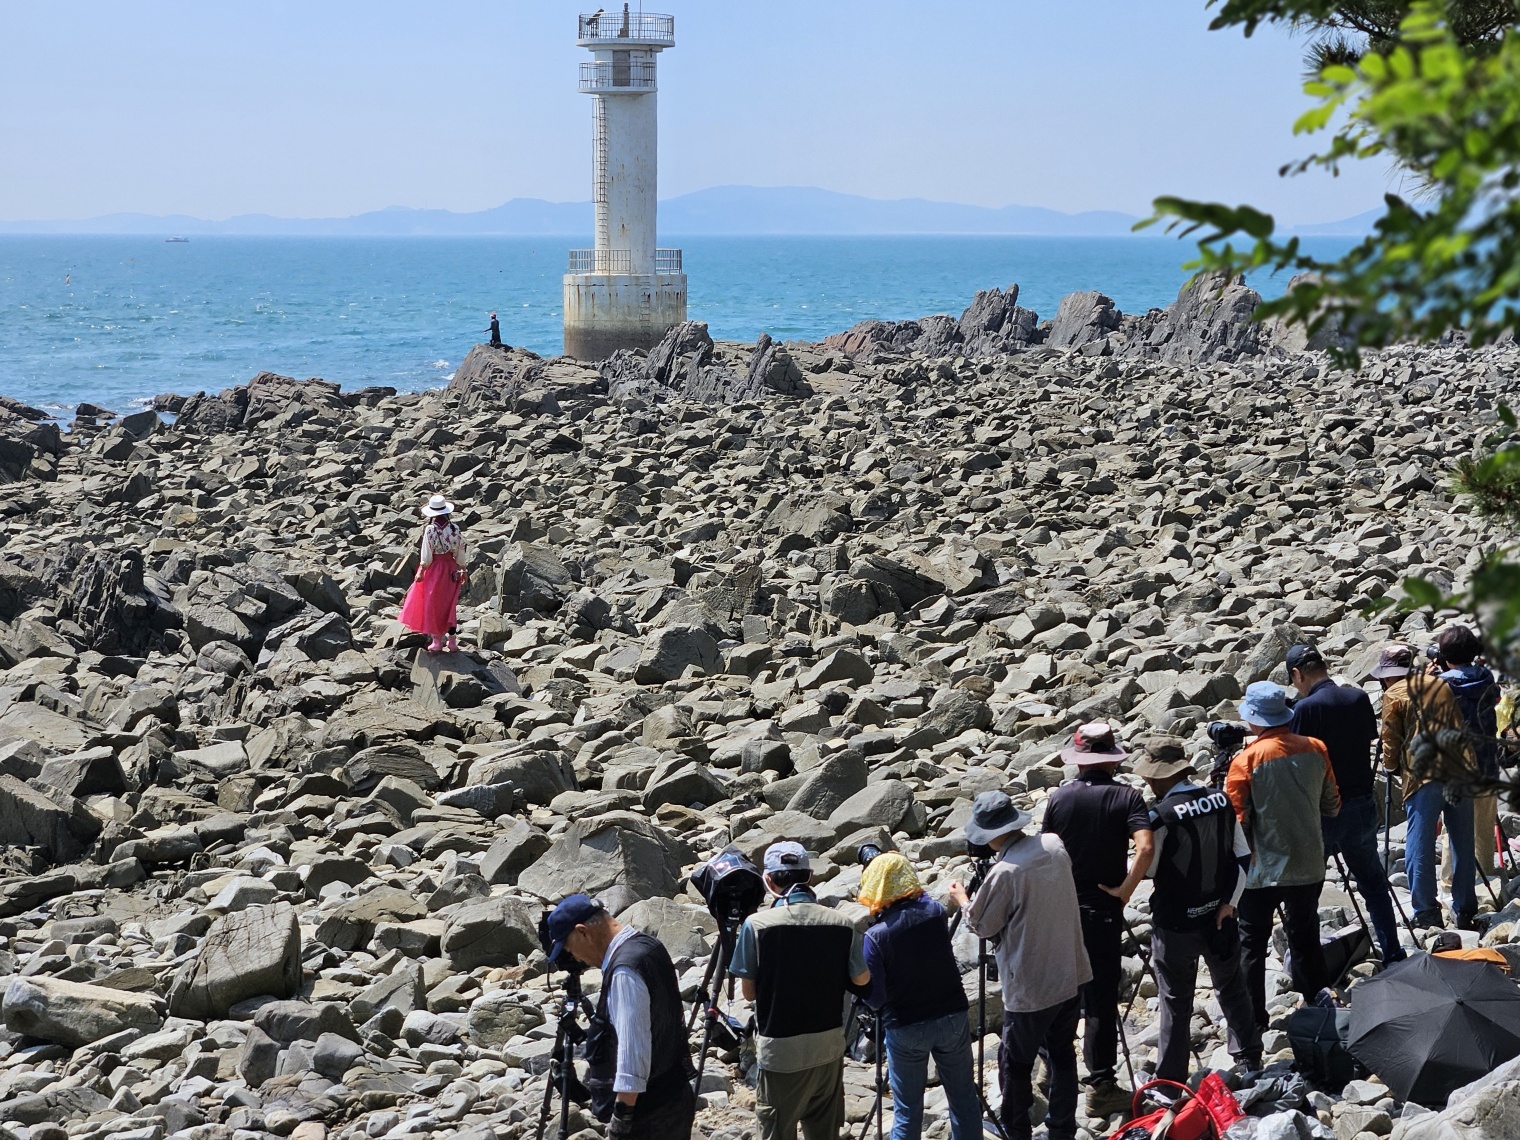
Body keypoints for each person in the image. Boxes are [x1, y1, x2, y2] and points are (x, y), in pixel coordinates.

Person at [948, 791, 1090, 1140]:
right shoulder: (1054, 844)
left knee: (1015, 1063)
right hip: (1070, 970)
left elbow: (982, 925)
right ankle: (1062, 1129)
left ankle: (1017, 1130)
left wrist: (963, 899)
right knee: (1061, 1052)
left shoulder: (1005, 871)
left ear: (989, 835)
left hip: (1031, 986)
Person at [1040, 722, 1155, 1118]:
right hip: (1103, 910)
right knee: (1100, 998)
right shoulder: (1128, 796)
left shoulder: (1059, 798)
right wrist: (1125, 890)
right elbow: (1145, 848)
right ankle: (1101, 1085)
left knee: (1060, 991)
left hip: (1062, 909)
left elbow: (1048, 852)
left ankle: (1050, 1068)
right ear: (1111, 758)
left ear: (1078, 759)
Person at [1134, 738, 1262, 1081]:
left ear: (1159, 777)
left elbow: (1150, 869)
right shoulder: (1220, 800)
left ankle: (1171, 1080)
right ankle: (1249, 1058)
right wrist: (1229, 904)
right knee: (1232, 986)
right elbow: (1242, 856)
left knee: (1175, 1000)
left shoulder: (1160, 816)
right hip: (1219, 915)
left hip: (1175, 922)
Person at [730, 841, 871, 1140]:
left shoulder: (756, 925)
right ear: (809, 877)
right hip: (828, 1046)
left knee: (777, 1130)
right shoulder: (842, 923)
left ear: (768, 881)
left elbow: (749, 994)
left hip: (781, 1053)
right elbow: (861, 980)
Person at [1225, 681, 1341, 1028]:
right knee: (1305, 933)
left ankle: (1254, 1020)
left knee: (1251, 941)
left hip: (1261, 870)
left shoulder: (1245, 761)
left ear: (1254, 719)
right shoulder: (1316, 748)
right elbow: (1332, 805)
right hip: (1309, 861)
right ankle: (1318, 1003)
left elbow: (1237, 823)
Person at [1286, 644, 1406, 964]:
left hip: (1323, 811)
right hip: (1361, 805)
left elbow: (1296, 762)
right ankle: (1393, 952)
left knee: (1307, 894)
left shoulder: (1305, 709)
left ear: (1297, 674)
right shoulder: (1358, 698)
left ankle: (1307, 965)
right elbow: (1367, 739)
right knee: (1374, 884)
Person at [543, 894, 697, 1140]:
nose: (575, 958)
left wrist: (621, 1119)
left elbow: (632, 1051)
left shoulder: (624, 970)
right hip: (674, 1093)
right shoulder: (649, 945)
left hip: (647, 1114)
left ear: (583, 932)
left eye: (570, 948)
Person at [858, 852, 980, 1140]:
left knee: (907, 1111)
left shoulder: (875, 937)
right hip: (951, 1015)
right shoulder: (935, 912)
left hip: (905, 1026)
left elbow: (875, 999)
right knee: (964, 1098)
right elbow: (923, 903)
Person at [1375, 642, 1479, 928]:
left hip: (1424, 776)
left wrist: (1391, 767)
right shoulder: (1440, 684)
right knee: (1462, 842)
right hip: (1459, 768)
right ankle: (1465, 909)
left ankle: (1426, 911)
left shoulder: (1394, 694)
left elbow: (1390, 740)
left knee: (1419, 841)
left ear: (1389, 674)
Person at [1432, 625, 1502, 879]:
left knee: (1453, 829)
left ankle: (1452, 883)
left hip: (1455, 768)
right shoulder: (1486, 678)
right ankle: (1484, 880)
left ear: (1444, 655)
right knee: (1483, 826)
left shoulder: (1439, 685)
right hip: (1486, 764)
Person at [398, 494, 468, 653]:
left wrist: (421, 571)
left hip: (435, 568)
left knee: (433, 603)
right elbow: (460, 551)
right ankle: (452, 641)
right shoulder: (455, 528)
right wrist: (463, 569)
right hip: (451, 568)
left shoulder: (430, 529)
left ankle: (437, 640)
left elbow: (426, 554)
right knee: (450, 605)